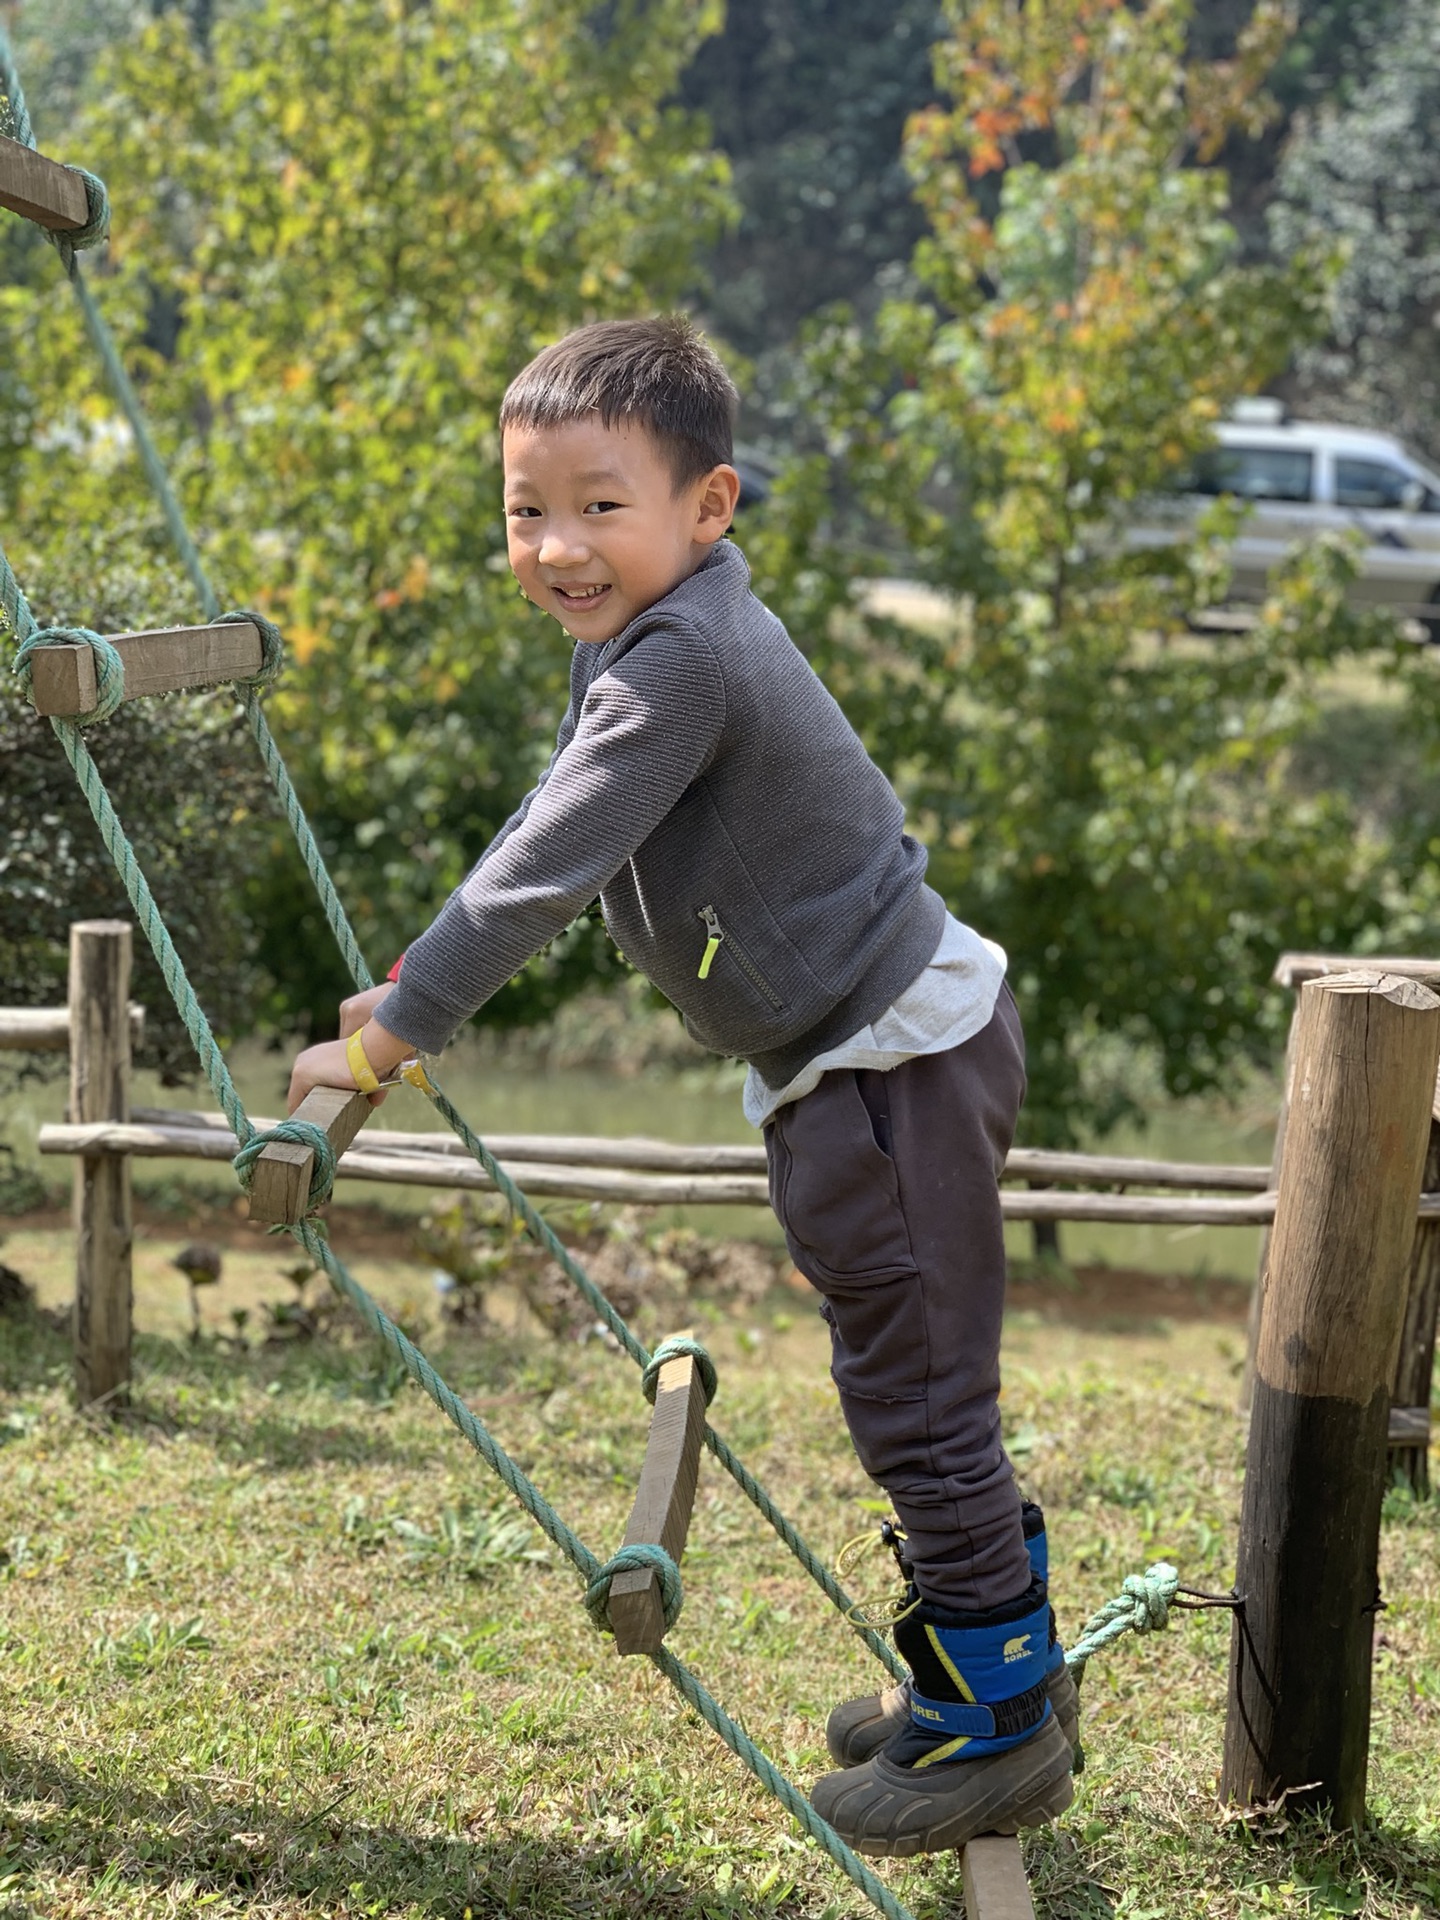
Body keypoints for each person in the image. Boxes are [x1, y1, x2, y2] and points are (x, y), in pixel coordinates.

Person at [284, 314, 1076, 1856]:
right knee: (906, 1383)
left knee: (919, 1401)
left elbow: (550, 871)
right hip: (865, 1048)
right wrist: (412, 986)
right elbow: (551, 822)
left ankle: (1001, 1724)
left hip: (886, 1062)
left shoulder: (686, 657)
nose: (557, 546)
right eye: (526, 509)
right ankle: (984, 1667)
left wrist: (393, 1034)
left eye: (599, 506)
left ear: (706, 508)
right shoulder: (646, 640)